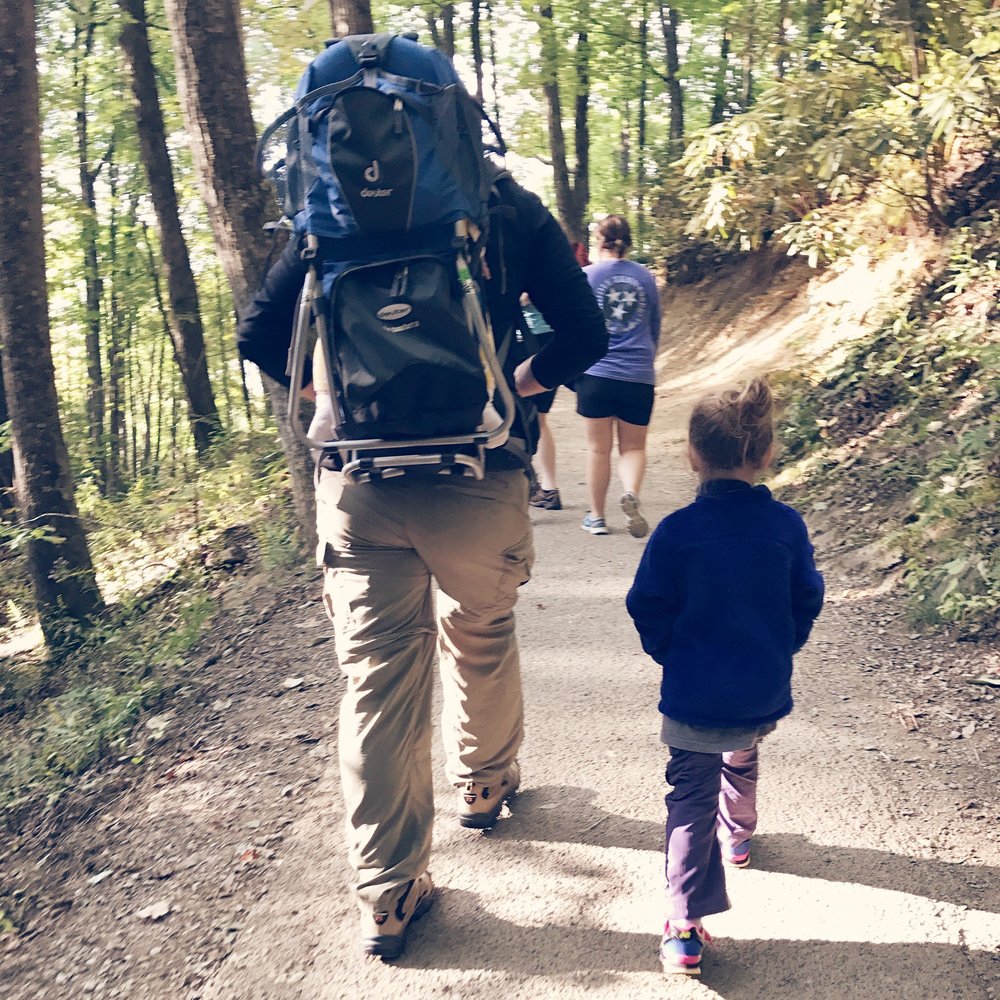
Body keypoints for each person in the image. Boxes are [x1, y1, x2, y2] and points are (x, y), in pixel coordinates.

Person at [238, 162, 607, 958]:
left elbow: (259, 334)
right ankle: (482, 780)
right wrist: (517, 386)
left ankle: (388, 892)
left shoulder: (326, 214)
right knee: (480, 629)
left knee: (376, 680)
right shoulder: (500, 202)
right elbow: (587, 332)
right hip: (479, 475)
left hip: (359, 485)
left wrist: (337, 399)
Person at [625, 378, 824, 976]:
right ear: (764, 455)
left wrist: (671, 652)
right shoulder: (785, 526)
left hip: (693, 694)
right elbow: (806, 597)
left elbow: (646, 603)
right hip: (760, 689)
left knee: (690, 799)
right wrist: (780, 646)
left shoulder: (678, 532)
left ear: (692, 455)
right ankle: (739, 837)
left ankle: (684, 927)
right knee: (741, 747)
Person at [577, 215, 660, 538]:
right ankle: (631, 493)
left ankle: (596, 517)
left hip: (597, 372)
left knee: (598, 449)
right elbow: (654, 326)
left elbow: (578, 323)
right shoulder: (646, 278)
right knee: (633, 448)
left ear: (599, 240)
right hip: (638, 374)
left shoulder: (586, 276)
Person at [521, 295, 561, 510]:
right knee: (539, 418)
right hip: (548, 337)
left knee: (523, 415)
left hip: (531, 338)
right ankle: (549, 488)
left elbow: (524, 297)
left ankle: (530, 486)